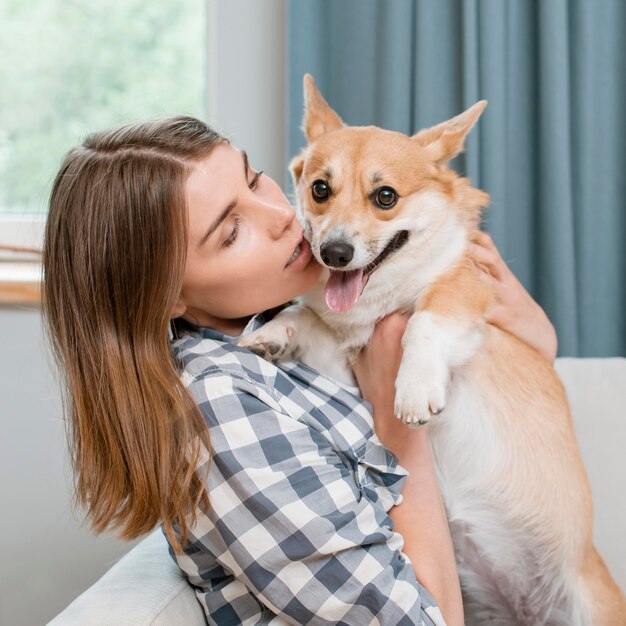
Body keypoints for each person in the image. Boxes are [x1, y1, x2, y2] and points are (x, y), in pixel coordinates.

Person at [43, 116, 557, 626]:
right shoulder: (222, 409)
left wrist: (531, 332)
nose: (283, 215)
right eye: (231, 231)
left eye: (254, 178)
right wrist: (399, 429)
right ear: (166, 297)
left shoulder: (276, 327)